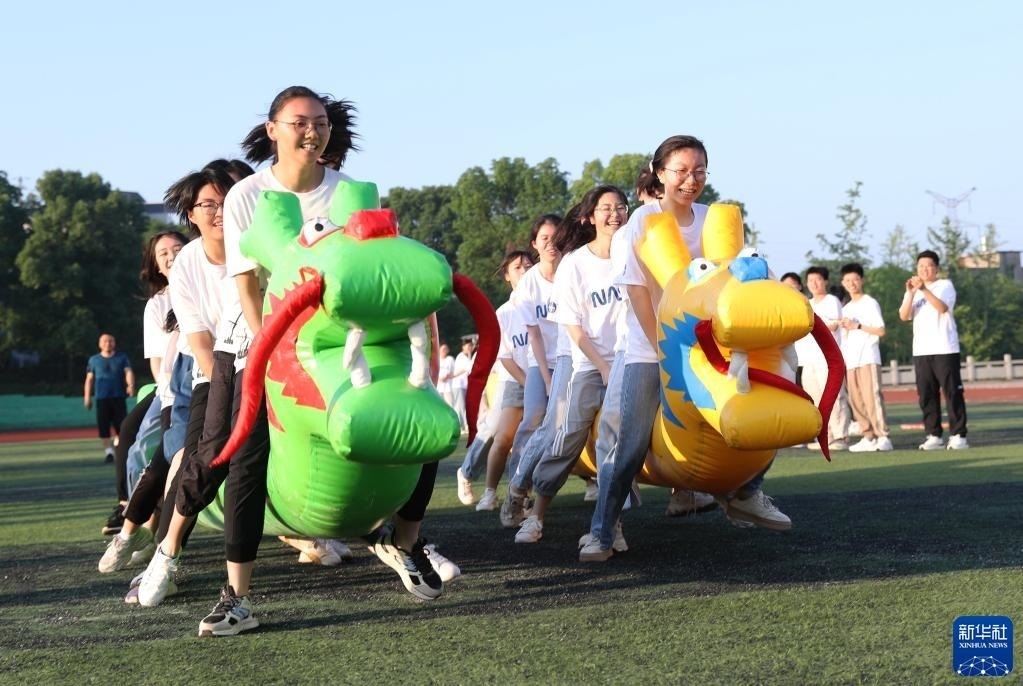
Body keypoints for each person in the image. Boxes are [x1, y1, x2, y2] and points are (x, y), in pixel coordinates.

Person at [581, 135, 789, 563]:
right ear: (659, 173)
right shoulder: (642, 222)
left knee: (765, 407)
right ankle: (602, 529)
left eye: (699, 172)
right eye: (681, 171)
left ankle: (747, 493)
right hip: (648, 348)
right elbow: (637, 292)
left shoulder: (715, 220)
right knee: (630, 443)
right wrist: (663, 348)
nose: (690, 180)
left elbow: (738, 277)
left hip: (710, 347)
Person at [514, 185, 626, 544]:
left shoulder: (634, 253)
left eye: (621, 207)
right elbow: (573, 328)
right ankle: (536, 515)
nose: (615, 214)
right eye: (606, 208)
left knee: (617, 440)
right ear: (590, 217)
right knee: (566, 436)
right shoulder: (575, 264)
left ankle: (611, 525)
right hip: (587, 364)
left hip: (629, 361)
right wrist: (603, 367)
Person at [99, 229, 188, 538]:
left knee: (166, 448)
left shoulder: (206, 283)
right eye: (163, 253)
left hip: (202, 380)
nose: (171, 256)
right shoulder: (157, 305)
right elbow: (156, 361)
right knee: (132, 438)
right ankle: (130, 506)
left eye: (177, 248)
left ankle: (155, 515)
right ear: (156, 266)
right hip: (169, 387)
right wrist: (166, 393)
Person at [458, 249, 532, 508]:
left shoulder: (546, 300)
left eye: (528, 265)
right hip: (514, 379)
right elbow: (503, 355)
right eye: (517, 268)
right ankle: (471, 476)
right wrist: (528, 383)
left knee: (533, 438)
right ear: (507, 276)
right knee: (496, 432)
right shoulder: (504, 313)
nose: (524, 271)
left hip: (544, 378)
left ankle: (522, 495)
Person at [898, 249, 969, 450]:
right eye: (921, 266)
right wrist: (911, 293)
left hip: (945, 348)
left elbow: (942, 308)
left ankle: (958, 435)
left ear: (936, 268)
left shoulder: (944, 285)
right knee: (926, 394)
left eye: (929, 266)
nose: (924, 269)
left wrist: (924, 290)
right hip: (922, 350)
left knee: (952, 392)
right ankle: (934, 435)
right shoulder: (913, 291)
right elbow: (904, 316)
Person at [838, 263, 893, 452]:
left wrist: (858, 326)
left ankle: (883, 436)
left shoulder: (869, 302)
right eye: (847, 280)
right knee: (856, 401)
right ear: (843, 283)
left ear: (862, 280)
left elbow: (880, 330)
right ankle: (868, 436)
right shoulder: (846, 309)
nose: (852, 283)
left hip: (868, 357)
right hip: (851, 361)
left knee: (872, 398)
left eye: (855, 279)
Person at [801, 266, 850, 451]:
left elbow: (834, 325)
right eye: (810, 280)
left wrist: (812, 327)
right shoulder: (806, 304)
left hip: (828, 358)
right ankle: (825, 436)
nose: (814, 283)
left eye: (818, 280)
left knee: (834, 397)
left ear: (825, 282)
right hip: (809, 358)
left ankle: (841, 436)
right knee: (815, 398)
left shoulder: (832, 301)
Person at [84, 333, 134, 462]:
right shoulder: (94, 360)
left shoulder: (122, 357)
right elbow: (89, 379)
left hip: (119, 397)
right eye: (105, 341)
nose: (108, 343)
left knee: (121, 426)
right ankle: (109, 452)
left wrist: (130, 385)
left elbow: (128, 372)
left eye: (110, 341)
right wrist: (87, 397)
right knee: (103, 427)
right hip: (102, 399)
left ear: (114, 343)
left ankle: (118, 447)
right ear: (100, 344)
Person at [451, 339, 475, 432]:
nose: (470, 348)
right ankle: (461, 426)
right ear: (463, 347)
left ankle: (464, 425)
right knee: (460, 406)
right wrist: (469, 355)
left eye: (471, 346)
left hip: (464, 385)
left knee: (464, 406)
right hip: (458, 385)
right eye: (468, 346)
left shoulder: (467, 357)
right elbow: (468, 368)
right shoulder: (461, 357)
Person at [437, 344, 456, 412]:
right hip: (438, 387)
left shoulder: (450, 359)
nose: (444, 351)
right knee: (439, 406)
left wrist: (447, 376)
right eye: (443, 349)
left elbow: (454, 372)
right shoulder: (436, 359)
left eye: (446, 349)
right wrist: (439, 378)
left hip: (448, 387)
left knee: (450, 405)